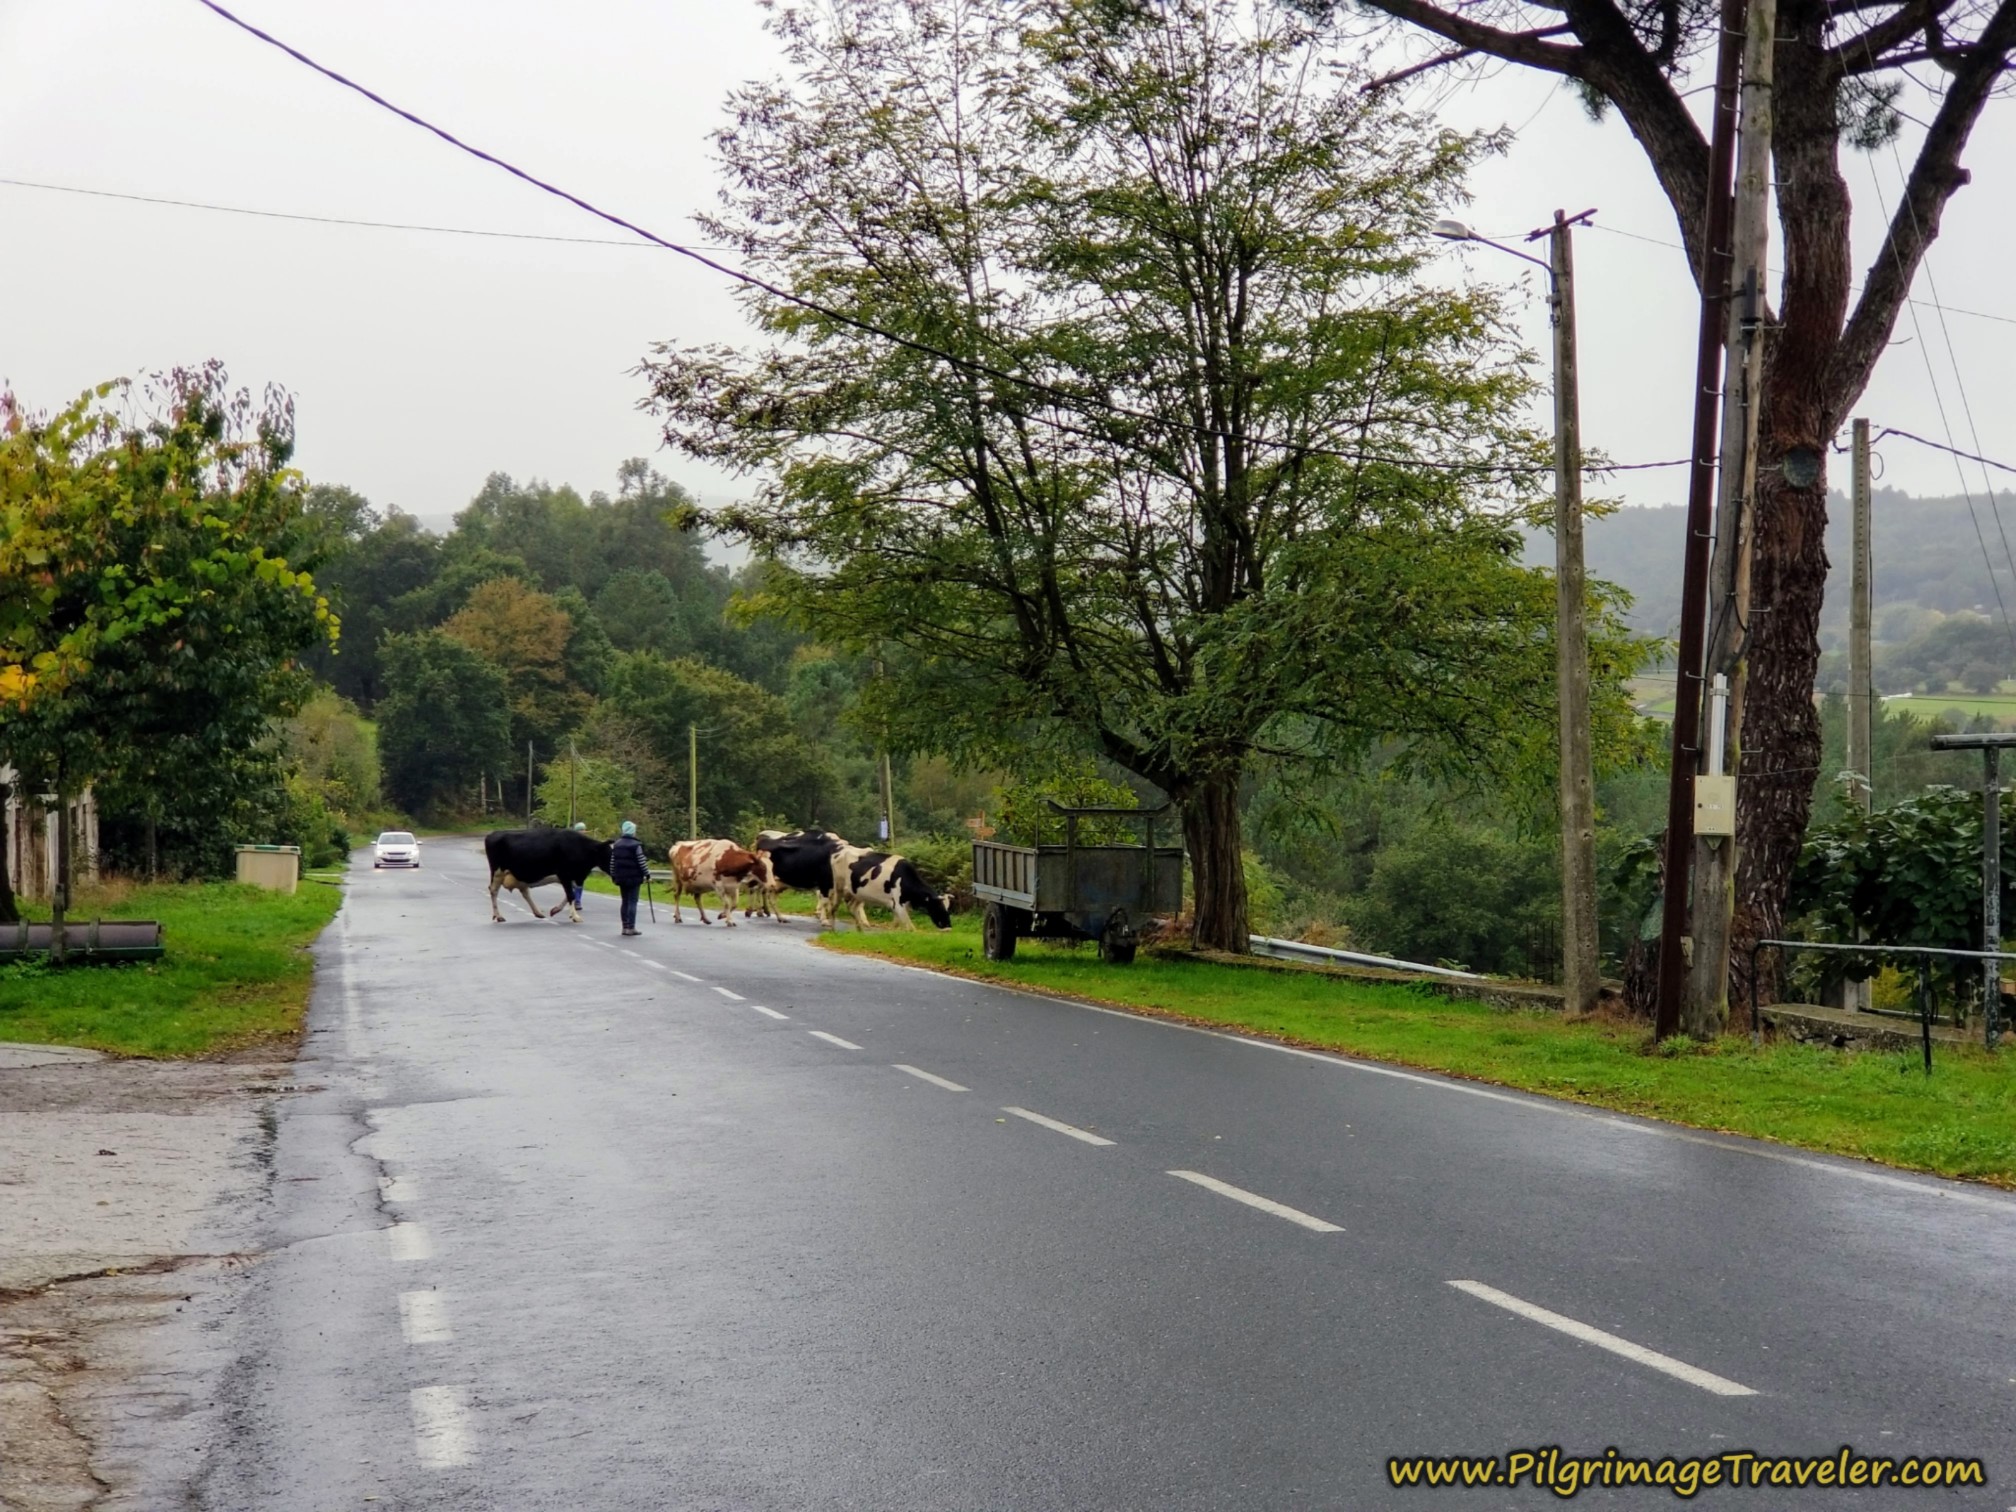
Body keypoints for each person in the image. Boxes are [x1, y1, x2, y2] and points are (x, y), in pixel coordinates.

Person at [610, 819, 648, 937]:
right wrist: (647, 873)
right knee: (632, 901)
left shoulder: (616, 844)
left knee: (625, 901)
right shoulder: (636, 845)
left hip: (621, 877)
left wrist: (613, 874)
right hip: (634, 877)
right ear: (633, 832)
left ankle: (625, 926)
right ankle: (631, 927)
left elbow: (612, 862)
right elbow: (641, 861)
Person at [567, 822, 589, 915]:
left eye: (583, 829)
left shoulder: (586, 842)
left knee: (580, 885)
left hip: (582, 867)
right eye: (580, 830)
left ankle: (577, 901)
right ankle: (573, 900)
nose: (583, 831)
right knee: (572, 884)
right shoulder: (570, 842)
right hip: (571, 866)